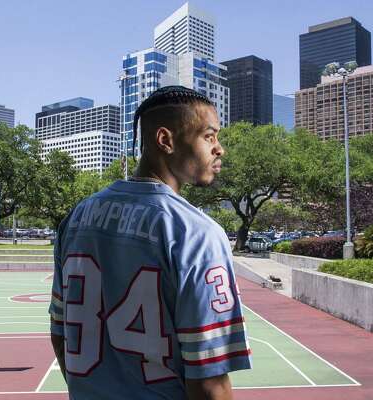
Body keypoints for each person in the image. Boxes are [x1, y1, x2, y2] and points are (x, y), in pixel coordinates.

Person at [49, 86, 252, 399]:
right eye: (208, 136)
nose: (219, 148)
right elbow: (209, 381)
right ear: (165, 140)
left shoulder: (77, 217)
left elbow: (60, 332)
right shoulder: (196, 233)